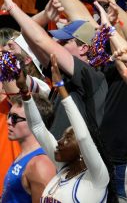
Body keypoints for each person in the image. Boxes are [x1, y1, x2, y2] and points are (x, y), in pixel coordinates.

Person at [20, 58, 111, 202]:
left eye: (68, 138)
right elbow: (37, 127)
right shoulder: (63, 169)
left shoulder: (97, 178)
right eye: (63, 137)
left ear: (82, 150)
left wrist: (61, 87)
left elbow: (83, 137)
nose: (59, 142)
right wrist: (24, 91)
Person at [2, 95, 56, 202]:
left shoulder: (40, 164)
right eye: (9, 115)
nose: (8, 121)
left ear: (34, 122)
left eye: (15, 118)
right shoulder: (26, 156)